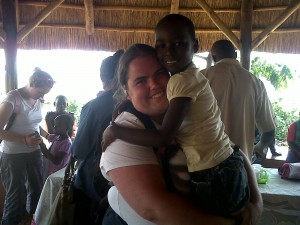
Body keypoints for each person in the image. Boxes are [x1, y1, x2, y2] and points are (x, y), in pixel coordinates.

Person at [102, 14, 251, 217]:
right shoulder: (130, 128)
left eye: (159, 74)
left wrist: (114, 131)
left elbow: (230, 147)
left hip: (217, 173)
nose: (154, 85)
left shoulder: (181, 86)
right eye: (140, 81)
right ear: (127, 92)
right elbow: (154, 210)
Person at [71, 49, 124, 225]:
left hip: (95, 181)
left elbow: (79, 149)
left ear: (102, 76)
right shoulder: (133, 101)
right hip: (125, 179)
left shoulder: (93, 107)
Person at [201, 39, 276, 161]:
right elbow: (269, 131)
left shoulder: (201, 78)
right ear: (235, 55)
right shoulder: (255, 82)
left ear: (214, 57)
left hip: (207, 163)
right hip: (241, 164)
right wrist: (259, 147)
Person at [0, 68, 55, 225]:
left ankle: (32, 221)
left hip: (34, 153)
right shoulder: (13, 99)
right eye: (40, 92)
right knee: (15, 195)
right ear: (31, 84)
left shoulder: (38, 99)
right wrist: (24, 140)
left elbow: (34, 124)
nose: (42, 96)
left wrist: (46, 135)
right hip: (12, 155)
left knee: (36, 190)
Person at [40, 114, 73, 180]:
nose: (54, 127)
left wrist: (42, 145)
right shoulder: (56, 137)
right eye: (55, 125)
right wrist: (40, 144)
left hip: (57, 175)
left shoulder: (66, 143)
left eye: (58, 126)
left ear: (67, 128)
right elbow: (47, 155)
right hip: (49, 172)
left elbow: (57, 161)